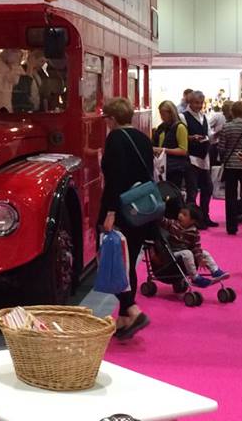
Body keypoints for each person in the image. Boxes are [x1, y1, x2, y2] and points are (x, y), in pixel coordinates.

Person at [98, 97, 153, 340]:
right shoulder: (143, 138)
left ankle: (132, 309)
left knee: (115, 260)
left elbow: (114, 178)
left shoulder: (115, 138)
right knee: (129, 259)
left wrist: (110, 211)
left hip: (120, 208)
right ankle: (123, 319)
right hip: (141, 207)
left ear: (112, 118)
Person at [160, 206, 229, 287]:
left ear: (192, 221)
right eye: (180, 213)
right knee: (187, 253)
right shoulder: (172, 224)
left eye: (184, 215)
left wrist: (200, 259)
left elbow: (196, 247)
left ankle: (215, 271)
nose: (180, 215)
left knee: (204, 253)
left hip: (186, 251)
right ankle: (195, 277)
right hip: (173, 252)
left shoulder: (194, 231)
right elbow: (162, 221)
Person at [216, 101, 242, 234]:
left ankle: (232, 226)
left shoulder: (226, 127)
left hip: (230, 165)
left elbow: (221, 147)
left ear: (232, 113)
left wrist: (224, 158)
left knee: (231, 196)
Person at [182, 91, 216, 227]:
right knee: (192, 191)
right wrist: (192, 138)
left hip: (204, 158)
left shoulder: (204, 116)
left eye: (201, 103)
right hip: (191, 158)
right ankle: (191, 220)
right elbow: (181, 136)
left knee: (208, 189)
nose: (199, 105)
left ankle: (204, 217)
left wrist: (211, 137)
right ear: (190, 102)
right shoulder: (183, 116)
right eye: (196, 103)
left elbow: (208, 134)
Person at [152, 100, 189, 192]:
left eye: (163, 114)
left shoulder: (180, 127)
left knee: (173, 193)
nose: (161, 117)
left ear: (171, 113)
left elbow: (183, 150)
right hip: (162, 167)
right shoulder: (161, 127)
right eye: (160, 114)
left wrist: (163, 150)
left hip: (175, 168)